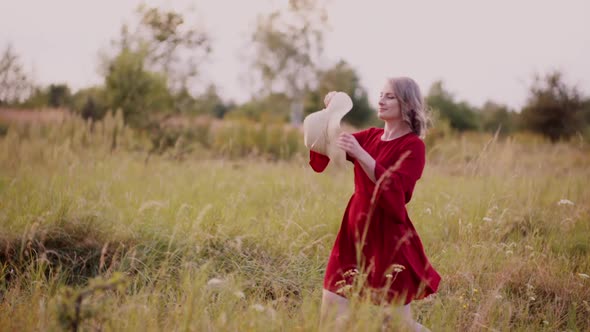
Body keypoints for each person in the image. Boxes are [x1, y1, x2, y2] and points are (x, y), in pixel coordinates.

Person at [309, 77, 441, 331]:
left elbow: (395, 192)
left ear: (407, 104)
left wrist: (361, 154)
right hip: (353, 232)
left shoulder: (413, 146)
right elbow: (330, 143)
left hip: (388, 238)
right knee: (331, 313)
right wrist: (330, 112)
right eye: (381, 94)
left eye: (389, 96)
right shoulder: (370, 136)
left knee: (395, 324)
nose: (381, 100)